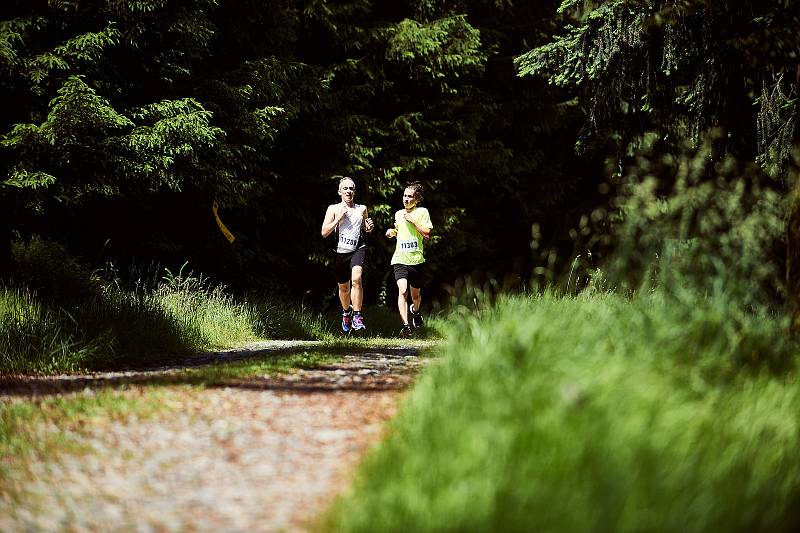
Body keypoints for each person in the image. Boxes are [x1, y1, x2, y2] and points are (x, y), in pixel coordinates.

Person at [321, 176, 374, 333]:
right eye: (345, 188)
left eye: (351, 188)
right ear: (339, 191)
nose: (349, 191)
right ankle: (346, 313)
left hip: (358, 248)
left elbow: (366, 228)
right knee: (344, 288)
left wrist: (369, 227)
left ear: (354, 191)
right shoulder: (333, 209)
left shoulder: (361, 209)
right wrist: (338, 219)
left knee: (357, 279)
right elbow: (324, 232)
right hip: (340, 252)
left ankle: (357, 316)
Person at [385, 181, 433, 336]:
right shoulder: (398, 214)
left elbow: (427, 234)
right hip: (400, 259)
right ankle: (406, 326)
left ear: (417, 199)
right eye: (404, 196)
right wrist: (392, 232)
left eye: (409, 196)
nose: (406, 199)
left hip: (416, 261)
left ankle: (416, 311)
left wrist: (413, 220)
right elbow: (400, 231)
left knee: (416, 295)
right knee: (403, 290)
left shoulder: (422, 212)